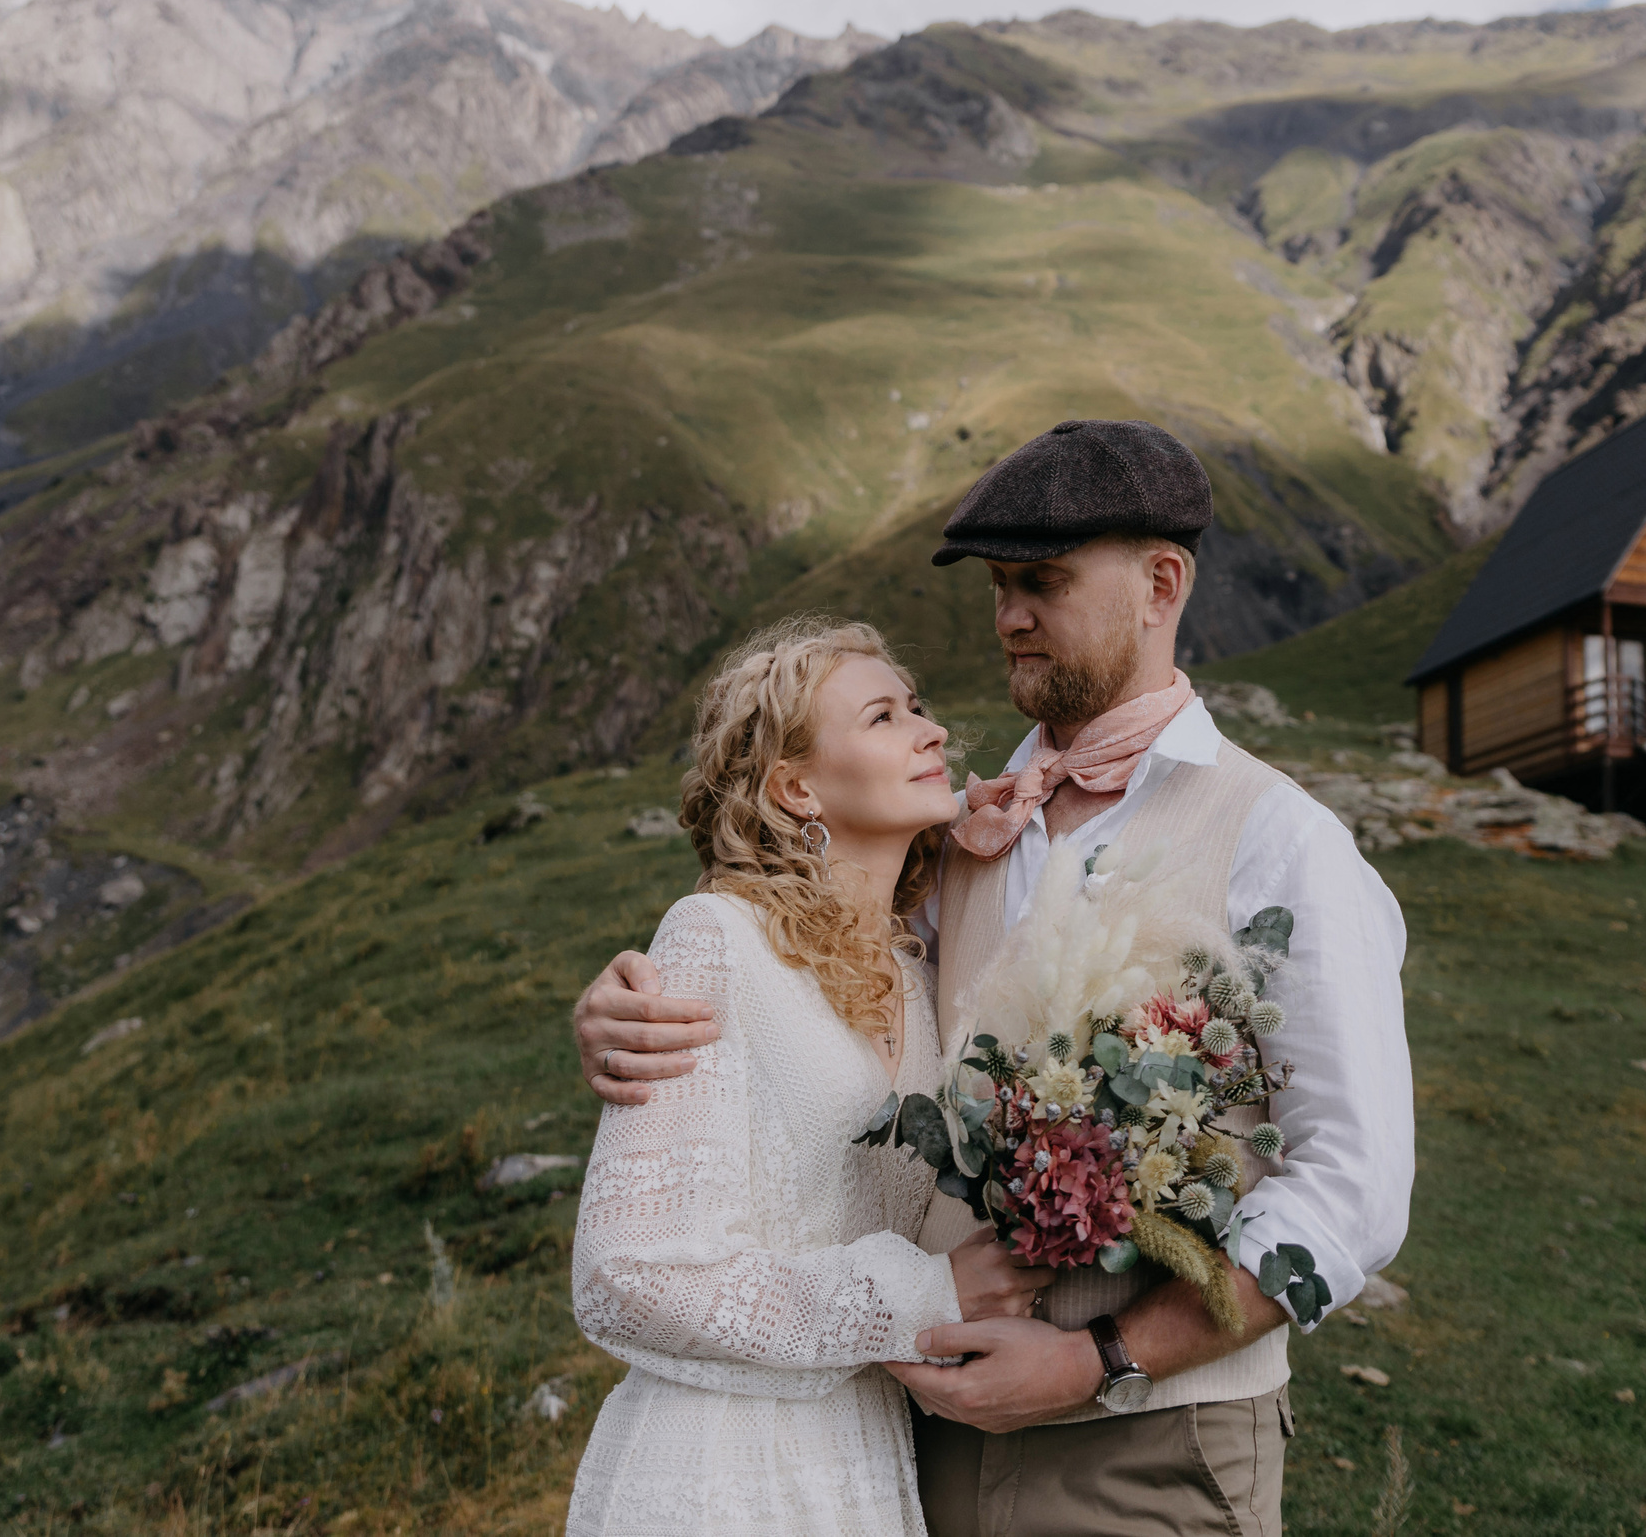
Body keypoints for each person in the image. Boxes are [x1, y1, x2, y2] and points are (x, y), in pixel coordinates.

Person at [575, 419, 1416, 1537]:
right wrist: (627, 1008)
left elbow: (1355, 1190)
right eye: (999, 586)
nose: (1009, 616)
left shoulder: (1282, 840)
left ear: (1162, 584)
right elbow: (793, 984)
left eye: (1043, 582)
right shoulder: (951, 848)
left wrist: (1101, 1358)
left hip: (1149, 1447)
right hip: (915, 1442)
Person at [566, 618, 1057, 1537]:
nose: (933, 731)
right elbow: (621, 1275)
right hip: (714, 1468)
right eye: (883, 716)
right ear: (797, 787)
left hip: (861, 1460)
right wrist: (917, 1297)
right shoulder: (717, 938)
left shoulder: (915, 972)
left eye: (917, 706)